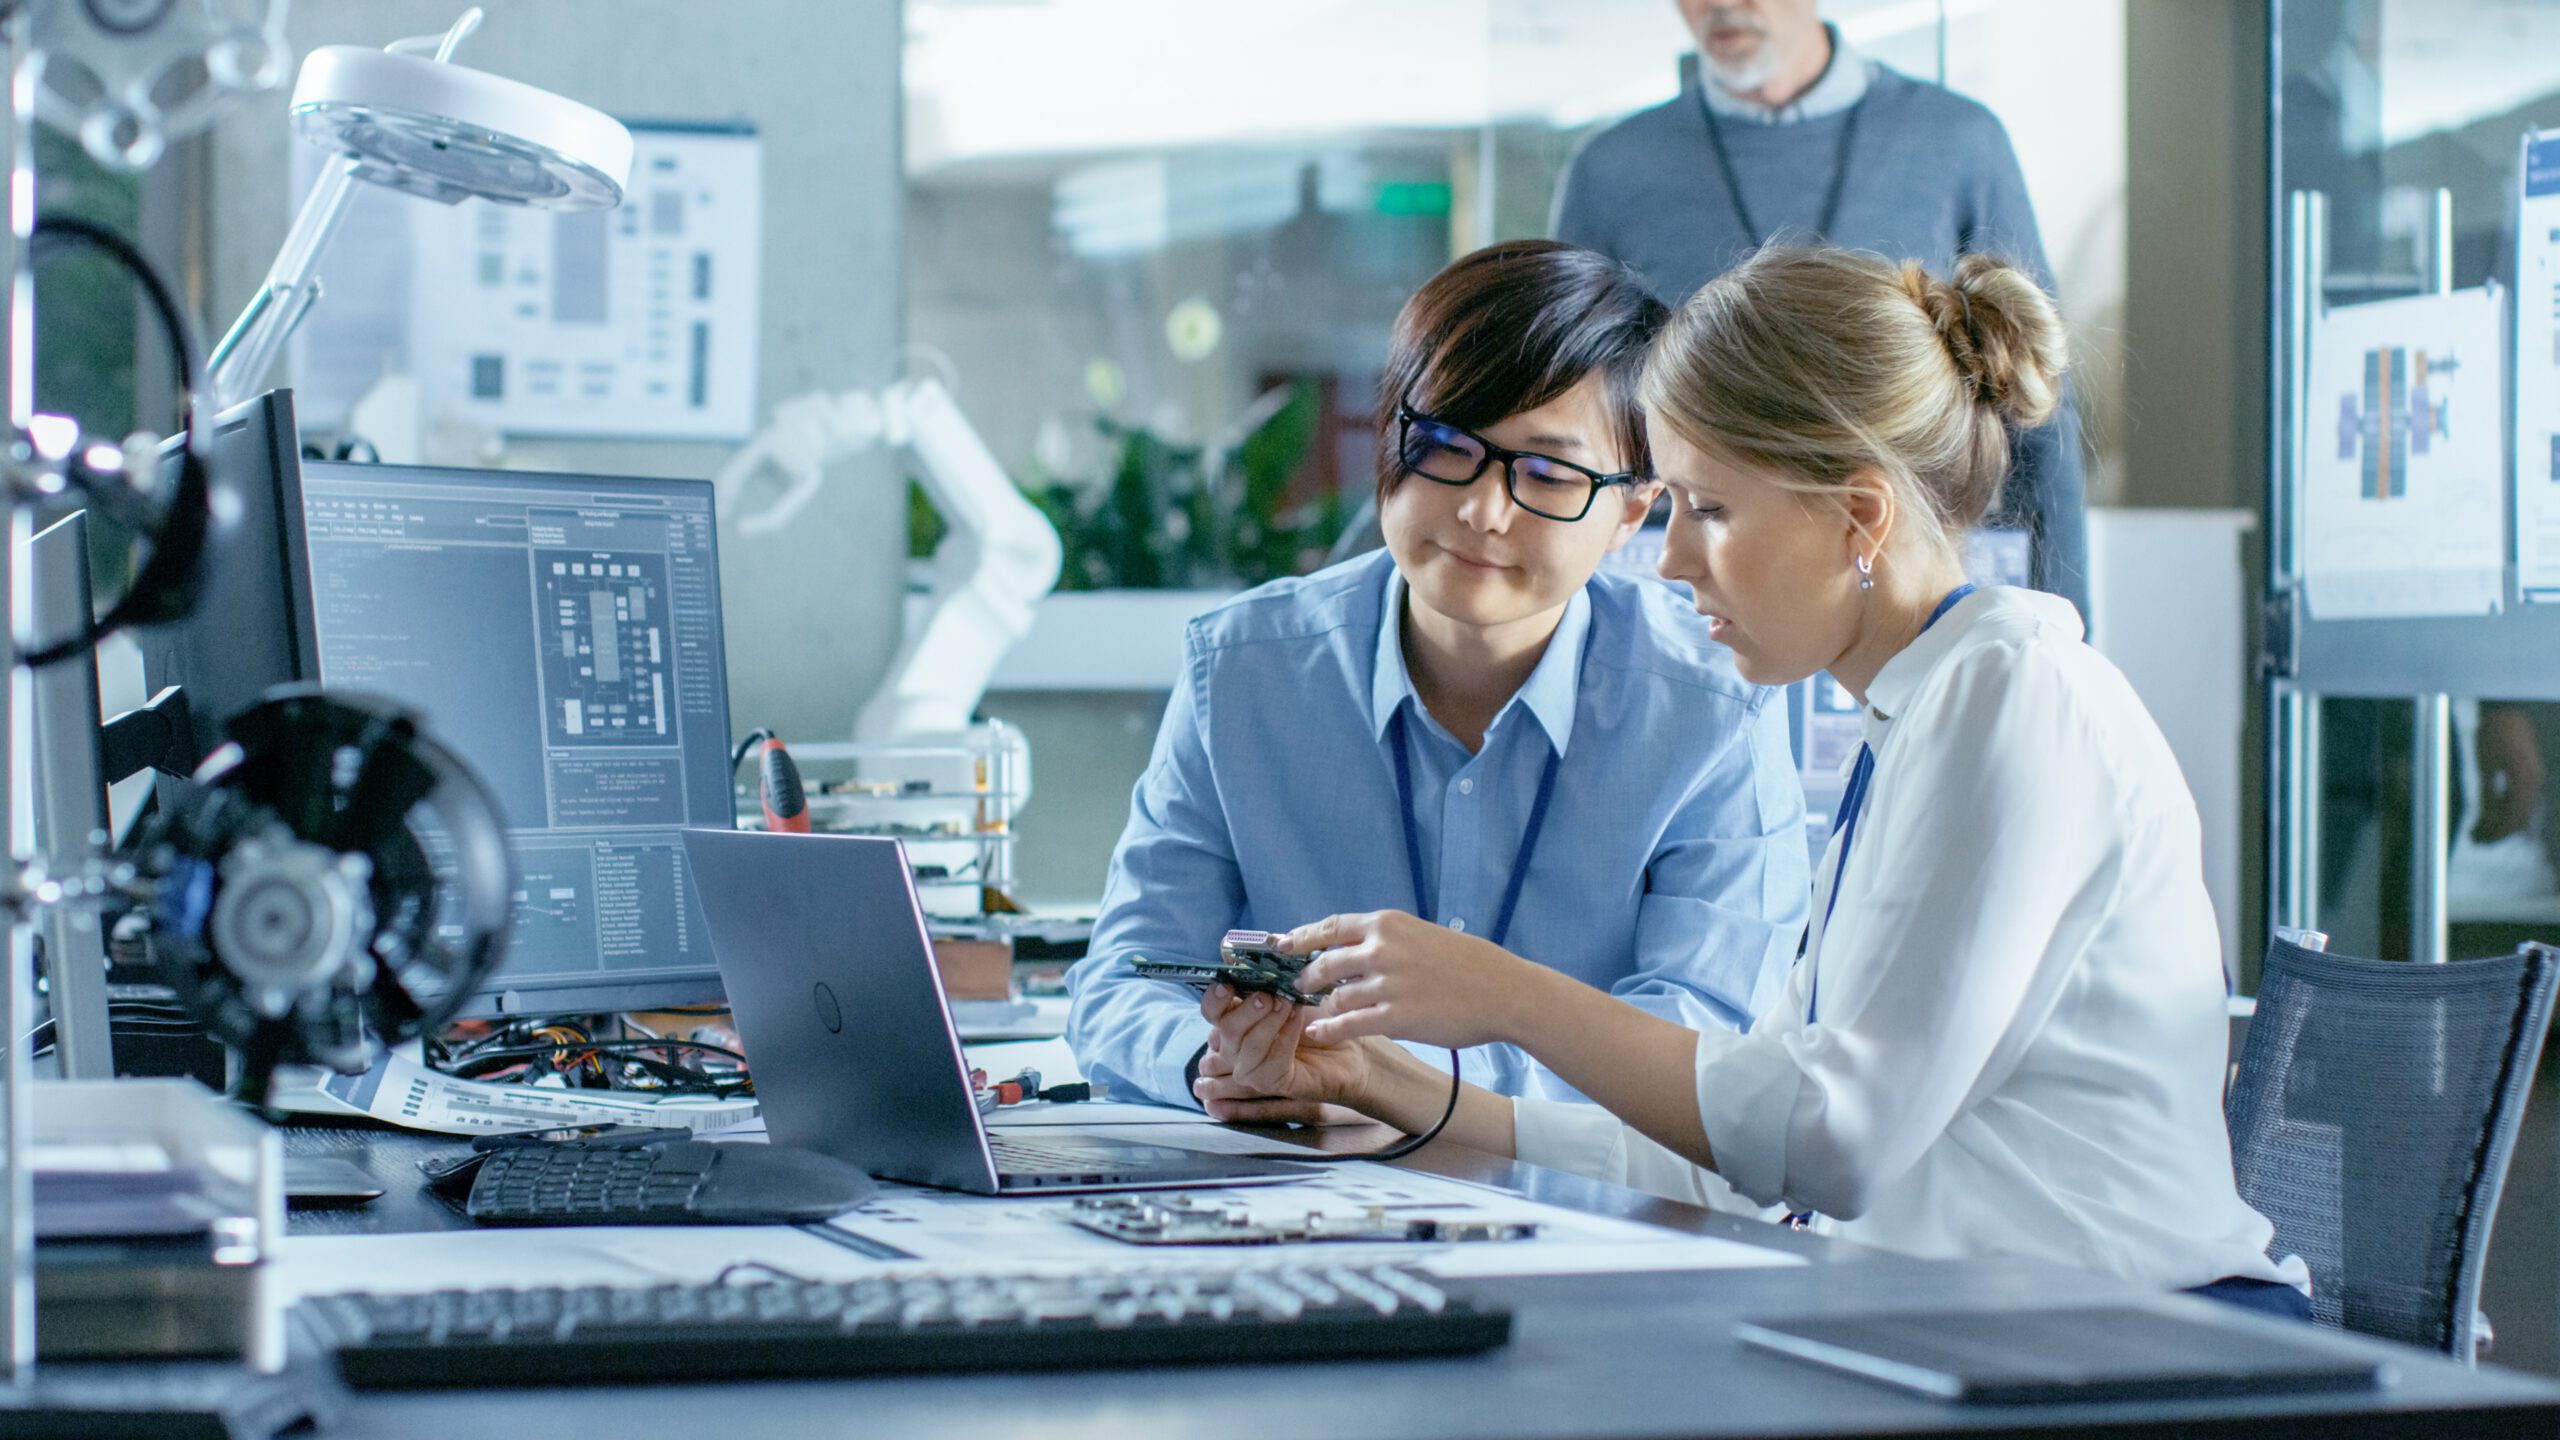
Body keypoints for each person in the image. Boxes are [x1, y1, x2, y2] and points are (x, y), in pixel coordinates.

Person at [1195, 246, 2309, 1316]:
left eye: (1709, 510)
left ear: (1859, 517)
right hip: (1981, 1334)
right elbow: (1751, 1160)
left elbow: (1829, 1145)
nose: (1671, 561)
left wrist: (1497, 991)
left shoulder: (2015, 699)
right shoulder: (1917, 713)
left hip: (2133, 1349)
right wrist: (1406, 1092)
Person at [1067, 240, 1809, 1113]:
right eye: (1448, 443)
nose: (1479, 509)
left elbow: (1708, 1029)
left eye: (1547, 472)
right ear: (1391, 432)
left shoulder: (1715, 705)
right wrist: (1217, 1062)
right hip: (1297, 1194)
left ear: (1631, 512)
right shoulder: (1240, 673)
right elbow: (1121, 977)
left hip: (1583, 1210)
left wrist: (1400, 1086)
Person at [1548, 0, 2089, 618]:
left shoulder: (1957, 141)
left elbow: (2036, 401)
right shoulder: (1613, 167)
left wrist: (2063, 621)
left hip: (1900, 583)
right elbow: (1571, 411)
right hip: (1687, 590)